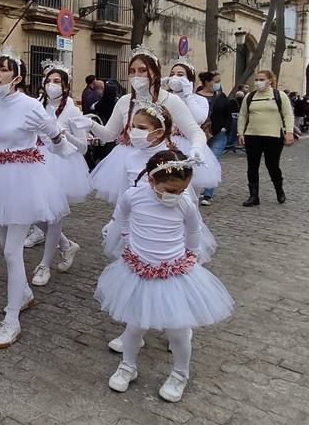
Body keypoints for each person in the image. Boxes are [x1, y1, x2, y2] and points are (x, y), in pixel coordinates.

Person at [0, 49, 76, 349]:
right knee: (4, 244)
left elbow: (55, 135)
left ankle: (12, 319)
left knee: (12, 252)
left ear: (18, 77)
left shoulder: (30, 106)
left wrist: (66, 149)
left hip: (25, 180)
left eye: (3, 69)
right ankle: (23, 293)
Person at [98, 149, 232, 402]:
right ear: (152, 179)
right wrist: (126, 241)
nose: (176, 195)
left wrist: (192, 255)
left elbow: (194, 231)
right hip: (138, 270)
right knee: (134, 325)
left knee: (178, 330)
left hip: (173, 272)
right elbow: (123, 218)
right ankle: (128, 365)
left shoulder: (185, 204)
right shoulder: (133, 197)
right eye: (170, 190)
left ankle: (180, 373)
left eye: (181, 190)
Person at [88, 46, 219, 201]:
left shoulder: (171, 100)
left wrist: (197, 147)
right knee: (131, 206)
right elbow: (109, 135)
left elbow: (194, 131)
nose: (137, 75)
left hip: (163, 163)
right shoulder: (124, 101)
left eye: (142, 70)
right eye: (132, 71)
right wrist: (90, 124)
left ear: (155, 73)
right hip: (130, 162)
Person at [25, 62, 88, 288]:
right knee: (31, 211)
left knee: (54, 217)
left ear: (66, 86)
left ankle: (44, 264)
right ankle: (66, 244)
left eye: (57, 82)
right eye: (49, 81)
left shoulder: (72, 109)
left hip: (62, 164)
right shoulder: (36, 105)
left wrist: (64, 135)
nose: (52, 85)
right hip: (35, 161)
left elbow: (83, 147)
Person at [238, 70, 295, 206]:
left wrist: (289, 132)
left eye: (261, 79)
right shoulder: (250, 96)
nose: (258, 82)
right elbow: (243, 115)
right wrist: (240, 133)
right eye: (256, 79)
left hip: (273, 135)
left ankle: (279, 189)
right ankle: (254, 196)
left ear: (270, 80)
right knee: (252, 165)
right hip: (253, 135)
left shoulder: (279, 96)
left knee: (272, 165)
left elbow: (288, 114)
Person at [196, 71, 232, 207]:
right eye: (215, 81)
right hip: (199, 134)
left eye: (219, 81)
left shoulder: (222, 97)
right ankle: (198, 187)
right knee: (199, 161)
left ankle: (208, 194)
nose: (218, 84)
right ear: (206, 82)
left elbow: (228, 114)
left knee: (212, 160)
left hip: (218, 134)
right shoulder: (195, 96)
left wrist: (225, 128)